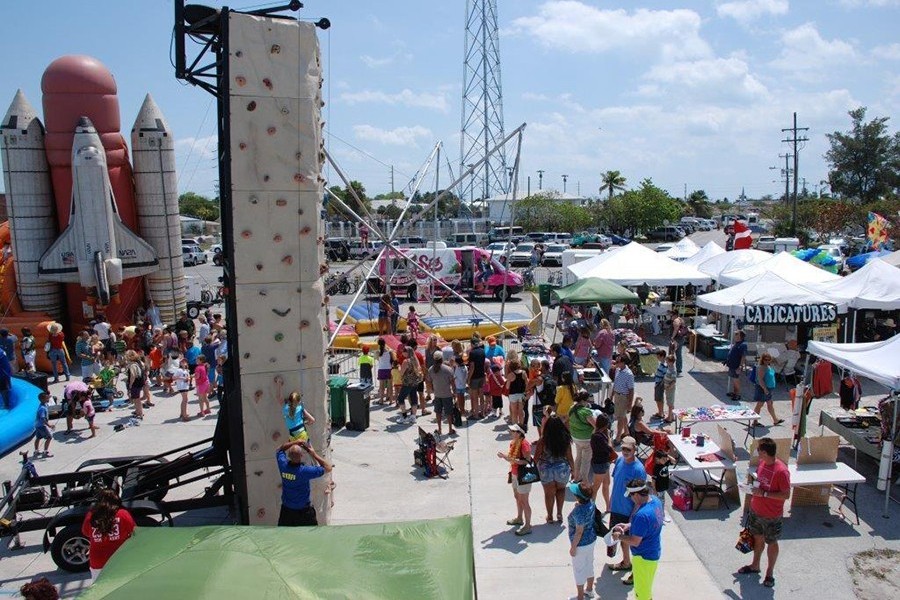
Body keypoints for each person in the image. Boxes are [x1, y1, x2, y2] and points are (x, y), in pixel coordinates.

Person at [739, 437, 791, 588]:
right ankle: (755, 565)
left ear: (765, 452)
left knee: (772, 542)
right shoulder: (762, 463)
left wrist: (765, 494)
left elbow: (786, 494)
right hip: (756, 511)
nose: (757, 453)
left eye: (759, 450)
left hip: (772, 515)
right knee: (758, 539)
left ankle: (769, 573)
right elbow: (761, 484)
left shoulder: (781, 471)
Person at [612, 478, 665, 597]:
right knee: (645, 590)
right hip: (653, 552)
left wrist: (619, 536)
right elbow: (649, 524)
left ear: (636, 494)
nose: (631, 499)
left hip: (643, 558)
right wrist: (629, 525)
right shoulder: (655, 501)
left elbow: (635, 541)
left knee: (642, 594)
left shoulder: (641, 515)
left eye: (631, 496)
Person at [608, 437, 647, 574]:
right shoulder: (619, 460)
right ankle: (626, 561)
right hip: (616, 508)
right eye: (623, 448)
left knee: (630, 541)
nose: (625, 452)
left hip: (628, 511)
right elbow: (616, 483)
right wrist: (610, 502)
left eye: (628, 449)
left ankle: (631, 566)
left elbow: (641, 496)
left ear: (634, 449)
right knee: (617, 538)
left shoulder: (638, 469)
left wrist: (633, 516)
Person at [81, 489, 135, 581]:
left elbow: (85, 532)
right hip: (119, 560)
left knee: (99, 590)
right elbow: (134, 532)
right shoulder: (123, 514)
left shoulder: (91, 515)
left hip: (97, 561)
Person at [276, 439, 332, 526]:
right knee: (310, 536)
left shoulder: (283, 466)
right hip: (304, 512)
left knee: (284, 536)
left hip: (287, 511)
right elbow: (328, 468)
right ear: (301, 455)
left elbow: (279, 449)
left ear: (289, 456)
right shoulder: (305, 471)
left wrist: (294, 442)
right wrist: (313, 454)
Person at [534, 414, 574, 523]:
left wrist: (532, 469)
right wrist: (574, 470)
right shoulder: (565, 438)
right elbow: (569, 457)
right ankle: (559, 513)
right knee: (561, 490)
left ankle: (550, 516)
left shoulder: (543, 440)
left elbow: (537, 456)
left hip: (546, 468)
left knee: (548, 493)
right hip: (562, 468)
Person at [497, 424, 533, 536]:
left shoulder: (524, 444)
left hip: (523, 475)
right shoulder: (513, 442)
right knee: (517, 497)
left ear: (519, 433)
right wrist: (506, 457)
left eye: (512, 431)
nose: (510, 432)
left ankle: (527, 526)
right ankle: (519, 518)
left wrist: (508, 458)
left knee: (524, 501)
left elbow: (527, 461)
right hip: (514, 473)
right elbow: (512, 457)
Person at [567, 481, 598, 600]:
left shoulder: (578, 512)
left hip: (581, 544)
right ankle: (589, 590)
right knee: (589, 565)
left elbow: (579, 531)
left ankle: (580, 597)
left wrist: (573, 547)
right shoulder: (591, 503)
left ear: (578, 497)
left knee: (579, 570)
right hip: (591, 540)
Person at [568, 391, 596, 484]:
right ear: (584, 400)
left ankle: (576, 478)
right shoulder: (586, 411)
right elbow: (595, 425)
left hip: (576, 437)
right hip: (587, 439)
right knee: (586, 460)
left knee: (578, 457)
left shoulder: (571, 409)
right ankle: (585, 481)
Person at [590, 413, 614, 512]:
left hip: (604, 462)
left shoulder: (598, 434)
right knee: (595, 487)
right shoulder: (598, 436)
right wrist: (609, 437)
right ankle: (590, 508)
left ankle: (608, 506)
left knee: (606, 483)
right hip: (600, 464)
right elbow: (610, 448)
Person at [752, 353, 783, 426]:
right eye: (765, 359)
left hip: (769, 389)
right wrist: (765, 389)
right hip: (763, 388)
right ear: (762, 359)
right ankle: (755, 421)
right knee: (760, 405)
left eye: (769, 359)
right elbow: (760, 379)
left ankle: (775, 420)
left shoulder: (768, 366)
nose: (767, 361)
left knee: (770, 404)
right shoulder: (762, 367)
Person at [429, 352, 456, 436]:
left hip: (437, 394)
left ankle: (440, 429)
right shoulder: (448, 369)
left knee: (438, 412)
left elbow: (429, 382)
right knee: (448, 413)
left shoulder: (431, 369)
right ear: (442, 359)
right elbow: (452, 383)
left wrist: (433, 390)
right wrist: (454, 393)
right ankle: (450, 429)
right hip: (447, 394)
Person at [611, 355, 636, 443]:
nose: (616, 363)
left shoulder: (629, 374)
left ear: (623, 363)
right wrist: (611, 395)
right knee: (622, 415)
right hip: (617, 396)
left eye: (617, 362)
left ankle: (618, 437)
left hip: (623, 397)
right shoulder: (618, 370)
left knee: (620, 418)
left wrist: (630, 403)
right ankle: (626, 431)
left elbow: (631, 390)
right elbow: (615, 383)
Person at [396, 346, 422, 424]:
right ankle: (413, 417)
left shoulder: (406, 361)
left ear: (407, 352)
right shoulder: (415, 360)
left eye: (404, 351)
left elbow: (401, 373)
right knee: (414, 398)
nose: (402, 353)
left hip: (407, 383)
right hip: (414, 382)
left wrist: (399, 368)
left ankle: (404, 416)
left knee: (400, 398)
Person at [467, 334, 487, 419]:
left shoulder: (472, 353)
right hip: (481, 375)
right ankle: (482, 413)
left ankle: (475, 414)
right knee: (481, 395)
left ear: (471, 344)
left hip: (474, 377)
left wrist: (468, 378)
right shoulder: (482, 351)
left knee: (474, 397)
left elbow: (472, 367)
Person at [725, 330, 748, 401]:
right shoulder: (737, 343)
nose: (735, 335)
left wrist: (740, 367)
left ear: (741, 336)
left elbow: (743, 356)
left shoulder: (743, 344)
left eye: (737, 334)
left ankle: (737, 394)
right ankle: (734, 393)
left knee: (736, 380)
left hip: (736, 366)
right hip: (732, 365)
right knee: (733, 379)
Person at [505, 358, 527, 428]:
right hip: (522, 394)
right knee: (521, 412)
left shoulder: (510, 375)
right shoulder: (524, 372)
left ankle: (515, 428)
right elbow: (527, 383)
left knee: (514, 412)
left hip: (513, 395)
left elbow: (507, 387)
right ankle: (521, 427)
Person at [125, 350, 146, 419]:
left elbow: (133, 376)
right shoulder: (139, 362)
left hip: (135, 384)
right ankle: (138, 412)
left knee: (136, 399)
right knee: (137, 399)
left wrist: (130, 384)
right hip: (140, 382)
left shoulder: (132, 365)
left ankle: (139, 413)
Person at [33, 392, 55, 457]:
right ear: (42, 399)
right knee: (49, 437)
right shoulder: (42, 408)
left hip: (37, 425)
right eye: (46, 398)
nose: (48, 398)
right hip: (42, 426)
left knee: (38, 438)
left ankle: (36, 451)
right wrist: (49, 425)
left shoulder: (42, 405)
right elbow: (43, 418)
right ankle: (45, 452)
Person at [375, 338, 394, 405]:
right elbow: (393, 359)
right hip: (389, 369)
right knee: (390, 386)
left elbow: (377, 359)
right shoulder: (390, 351)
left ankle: (381, 400)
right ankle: (391, 400)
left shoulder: (377, 352)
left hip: (381, 369)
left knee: (381, 386)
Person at [652, 349, 668, 420]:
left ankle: (660, 413)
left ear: (662, 356)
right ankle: (660, 412)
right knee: (658, 399)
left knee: (659, 399)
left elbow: (665, 376)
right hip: (658, 383)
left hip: (660, 383)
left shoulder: (664, 365)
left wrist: (661, 385)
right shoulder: (661, 364)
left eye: (658, 357)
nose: (657, 358)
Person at [662, 354, 677, 423]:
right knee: (670, 402)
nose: (666, 363)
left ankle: (669, 418)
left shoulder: (673, 370)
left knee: (670, 404)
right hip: (668, 388)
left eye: (667, 361)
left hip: (670, 389)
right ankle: (672, 416)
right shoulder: (669, 368)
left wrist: (668, 387)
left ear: (671, 362)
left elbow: (674, 381)